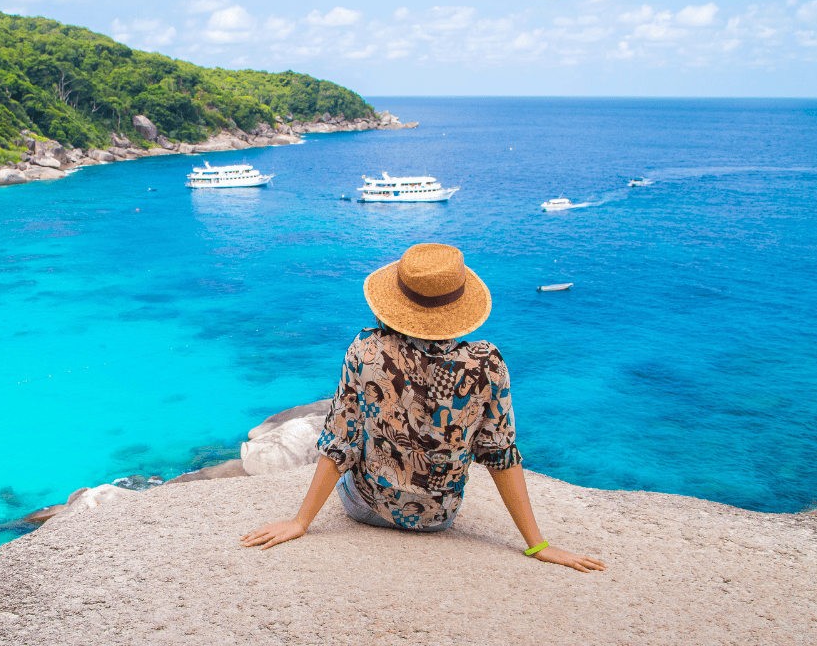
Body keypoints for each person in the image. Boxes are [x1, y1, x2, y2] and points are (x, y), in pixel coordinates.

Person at [240, 243, 606, 573]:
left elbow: (342, 442)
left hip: (367, 508)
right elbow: (500, 453)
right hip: (439, 517)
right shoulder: (487, 363)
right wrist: (537, 544)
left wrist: (300, 522)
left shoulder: (366, 350)